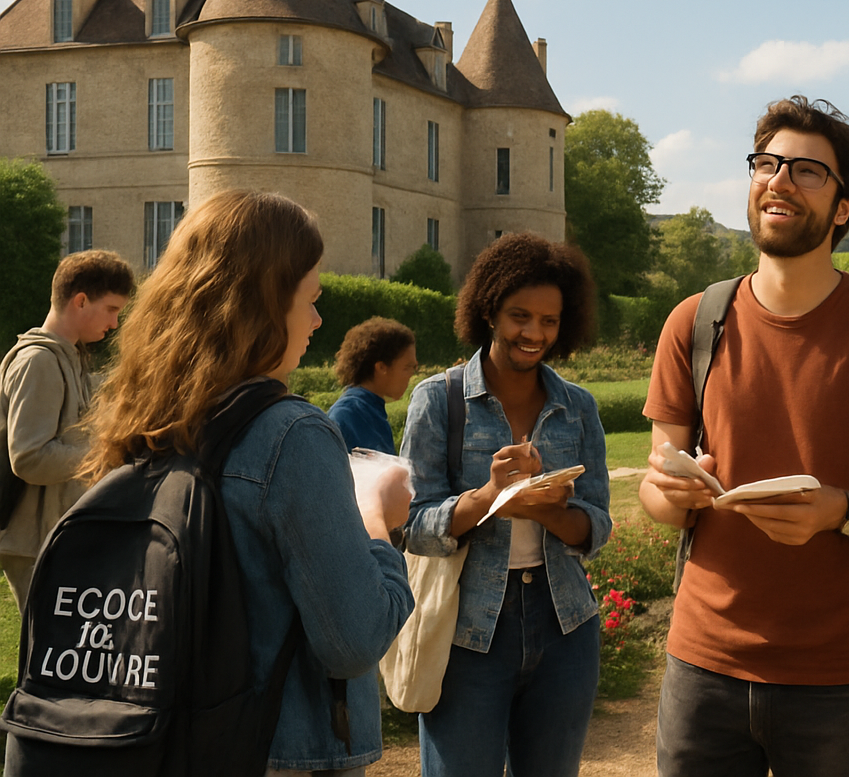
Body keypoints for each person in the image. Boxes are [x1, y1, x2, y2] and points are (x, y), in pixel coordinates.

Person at [639, 96, 849, 777]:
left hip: (838, 675)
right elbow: (656, 493)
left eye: (807, 171)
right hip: (703, 665)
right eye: (766, 164)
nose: (778, 181)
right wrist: (673, 491)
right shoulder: (694, 324)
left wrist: (840, 512)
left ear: (844, 208)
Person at [77, 190, 414, 776]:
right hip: (278, 747)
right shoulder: (292, 434)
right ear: (261, 306)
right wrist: (376, 519)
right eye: (310, 300)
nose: (315, 320)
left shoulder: (146, 418)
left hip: (161, 735)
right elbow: (354, 640)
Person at [400, 232, 610, 777]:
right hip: (467, 631)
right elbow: (412, 527)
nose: (534, 333)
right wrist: (489, 499)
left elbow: (599, 525)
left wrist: (544, 510)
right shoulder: (438, 399)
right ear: (489, 310)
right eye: (521, 316)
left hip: (565, 626)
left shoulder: (578, 408)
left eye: (550, 321)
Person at [0, 249, 134, 609]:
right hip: (35, 545)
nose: (115, 323)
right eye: (112, 309)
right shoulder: (39, 361)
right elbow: (29, 457)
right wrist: (106, 459)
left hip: (55, 537)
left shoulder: (68, 357)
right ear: (80, 300)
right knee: (48, 656)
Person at [329, 317, 418, 453]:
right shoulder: (346, 416)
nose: (412, 374)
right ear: (381, 367)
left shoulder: (372, 410)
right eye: (407, 367)